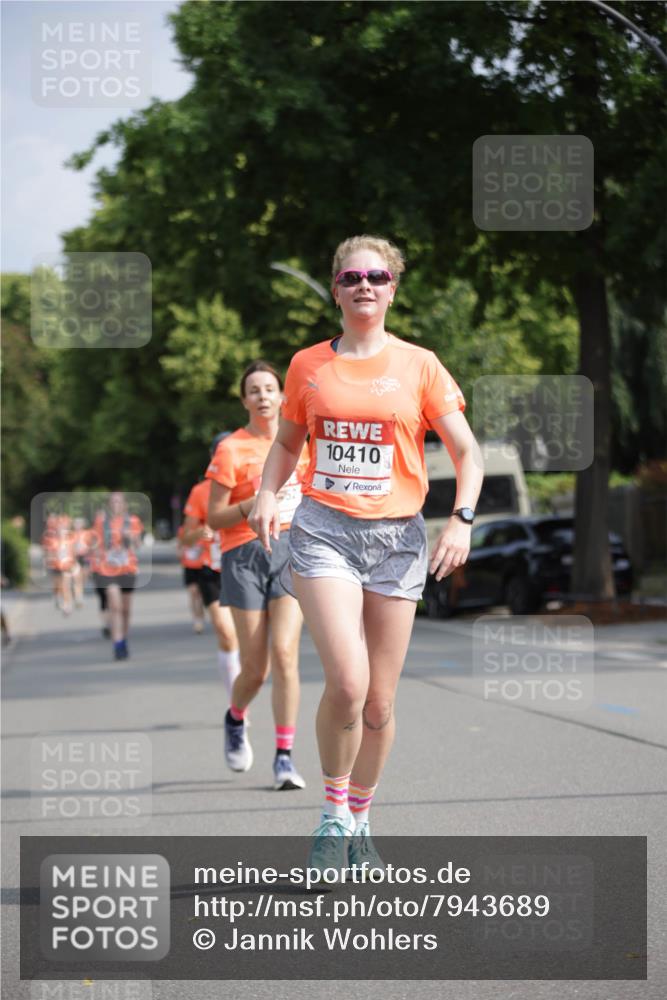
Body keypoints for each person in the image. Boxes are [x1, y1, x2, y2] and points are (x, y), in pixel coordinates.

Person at [249, 235, 484, 871]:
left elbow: (467, 452)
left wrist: (460, 520)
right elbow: (286, 444)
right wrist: (269, 493)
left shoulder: (420, 365)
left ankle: (360, 815)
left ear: (392, 288)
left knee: (380, 704)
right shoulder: (307, 366)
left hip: (398, 540)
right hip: (324, 529)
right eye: (352, 276)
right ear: (335, 287)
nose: (364, 286)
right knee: (347, 684)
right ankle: (329, 818)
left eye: (377, 277)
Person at [207, 361, 310, 791]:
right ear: (244, 399)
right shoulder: (231, 448)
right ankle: (235, 718)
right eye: (254, 390)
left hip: (291, 551)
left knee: (286, 653)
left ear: (283, 396)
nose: (263, 396)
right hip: (244, 555)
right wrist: (252, 505)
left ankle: (284, 758)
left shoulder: (304, 444)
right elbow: (213, 517)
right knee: (256, 669)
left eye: (270, 388)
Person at [182, 434, 241, 696]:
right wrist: (200, 534)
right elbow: (185, 536)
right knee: (226, 634)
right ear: (213, 457)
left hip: (245, 567)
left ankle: (242, 686)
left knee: (250, 643)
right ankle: (237, 703)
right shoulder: (201, 492)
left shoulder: (252, 483)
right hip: (212, 569)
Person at [91, 492, 143, 660]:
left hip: (127, 569)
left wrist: (132, 537)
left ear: (124, 505)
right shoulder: (101, 522)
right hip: (107, 570)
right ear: (109, 505)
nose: (116, 505)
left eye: (119, 502)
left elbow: (138, 545)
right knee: (115, 606)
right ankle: (117, 643)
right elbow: (94, 544)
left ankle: (124, 637)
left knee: (126, 609)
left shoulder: (133, 521)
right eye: (113, 502)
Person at [176, 525, 206, 633]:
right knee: (193, 593)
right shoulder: (183, 530)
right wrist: (181, 552)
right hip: (189, 567)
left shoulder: (204, 527)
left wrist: (202, 550)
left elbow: (209, 545)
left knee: (200, 595)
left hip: (202, 566)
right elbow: (179, 547)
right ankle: (196, 620)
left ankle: (201, 617)